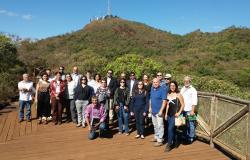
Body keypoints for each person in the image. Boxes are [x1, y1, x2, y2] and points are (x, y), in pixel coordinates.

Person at [164, 80, 184, 152]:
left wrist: (179, 113)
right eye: (171, 86)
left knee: (170, 129)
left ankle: (169, 144)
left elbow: (183, 105)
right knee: (173, 129)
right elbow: (168, 105)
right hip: (169, 114)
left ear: (176, 86)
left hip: (174, 115)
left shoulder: (178, 94)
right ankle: (176, 141)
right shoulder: (168, 94)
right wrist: (166, 114)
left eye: (173, 86)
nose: (172, 87)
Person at [149, 78, 167, 147]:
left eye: (156, 82)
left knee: (160, 126)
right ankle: (156, 137)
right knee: (155, 125)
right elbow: (151, 99)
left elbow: (164, 101)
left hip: (159, 112)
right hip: (153, 111)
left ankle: (160, 140)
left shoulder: (162, 90)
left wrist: (161, 110)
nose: (155, 83)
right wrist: (150, 107)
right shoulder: (152, 89)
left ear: (159, 82)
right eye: (154, 82)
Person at [180, 76, 198, 144]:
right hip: (183, 109)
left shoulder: (193, 89)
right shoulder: (182, 88)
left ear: (190, 81)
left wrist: (192, 110)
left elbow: (194, 100)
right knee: (184, 124)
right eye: (185, 81)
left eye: (187, 81)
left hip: (190, 109)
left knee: (191, 124)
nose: (186, 82)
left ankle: (191, 137)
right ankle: (185, 135)